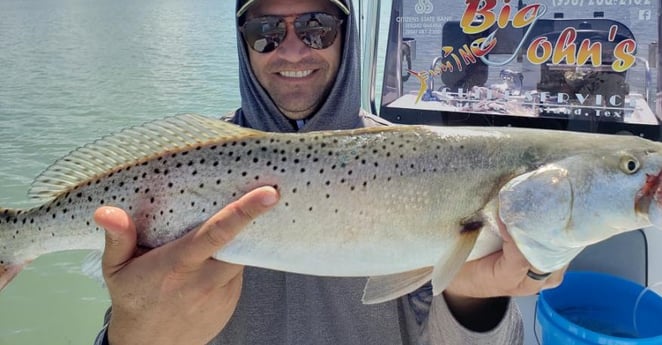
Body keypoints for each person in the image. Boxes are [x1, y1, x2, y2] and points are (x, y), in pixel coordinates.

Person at [93, 0, 567, 344]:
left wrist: (473, 301)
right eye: (266, 30)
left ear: (348, 31)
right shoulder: (179, 166)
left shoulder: (423, 162)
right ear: (243, 42)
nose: (293, 50)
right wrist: (133, 336)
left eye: (317, 27)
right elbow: (134, 313)